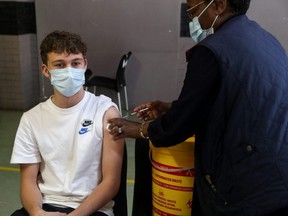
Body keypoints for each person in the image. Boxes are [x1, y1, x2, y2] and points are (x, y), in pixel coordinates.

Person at [107, 0, 288, 215]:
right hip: (277, 173)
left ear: (219, 5)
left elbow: (178, 127)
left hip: (244, 185)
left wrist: (137, 129)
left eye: (192, 8)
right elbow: (235, 99)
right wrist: (173, 107)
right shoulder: (265, 39)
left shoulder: (211, 50)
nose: (191, 17)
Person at [10, 30, 124, 216]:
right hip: (46, 205)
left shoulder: (105, 112)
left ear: (84, 65)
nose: (69, 71)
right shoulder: (31, 119)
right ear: (46, 70)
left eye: (75, 63)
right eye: (60, 65)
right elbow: (28, 182)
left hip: (92, 208)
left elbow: (111, 183)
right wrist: (38, 213)